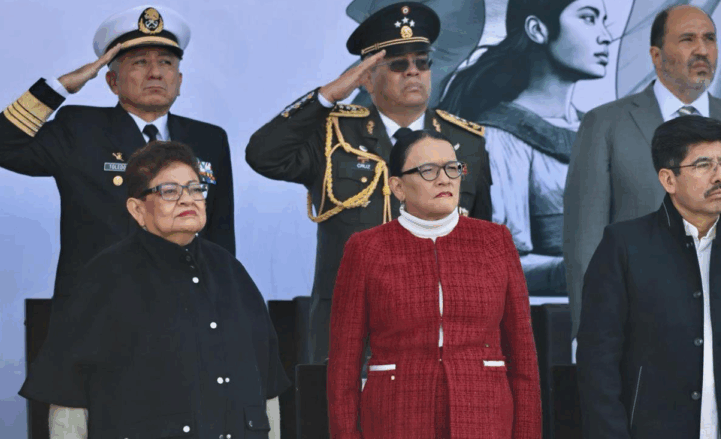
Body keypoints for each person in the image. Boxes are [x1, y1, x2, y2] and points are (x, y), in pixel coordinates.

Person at [246, 2, 492, 364]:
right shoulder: (333, 135)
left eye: (422, 62)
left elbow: (482, 244)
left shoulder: (465, 142)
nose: (414, 71)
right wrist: (328, 96)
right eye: (398, 64)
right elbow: (263, 155)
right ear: (366, 76)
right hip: (353, 333)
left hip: (441, 334)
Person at [19, 141, 289, 439]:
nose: (187, 200)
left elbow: (267, 387)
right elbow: (68, 397)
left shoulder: (231, 270)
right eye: (169, 191)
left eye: (195, 189)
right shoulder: (105, 276)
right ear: (137, 209)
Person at [0, 5, 235, 299]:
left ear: (179, 81)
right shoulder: (80, 129)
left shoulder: (209, 139)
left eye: (166, 62)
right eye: (139, 62)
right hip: (100, 307)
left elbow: (220, 234)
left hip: (188, 304)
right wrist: (59, 88)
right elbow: (4, 146)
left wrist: (225, 304)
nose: (155, 73)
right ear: (113, 81)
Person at [563, 4, 721, 338]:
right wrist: (590, 337)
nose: (702, 50)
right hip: (640, 336)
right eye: (688, 39)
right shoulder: (604, 125)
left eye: (710, 38)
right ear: (656, 56)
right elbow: (585, 245)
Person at [327, 129, 541, 438]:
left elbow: (523, 356)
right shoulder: (367, 248)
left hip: (484, 415)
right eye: (428, 170)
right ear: (398, 187)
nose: (445, 180)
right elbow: (343, 366)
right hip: (396, 417)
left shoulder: (495, 241)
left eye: (452, 168)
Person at [577, 115, 721, 438]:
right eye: (704, 165)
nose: (720, 176)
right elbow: (598, 361)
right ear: (668, 179)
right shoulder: (625, 246)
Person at [439, 0, 611, 296]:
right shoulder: (497, 137)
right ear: (537, 29)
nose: (606, 36)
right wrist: (596, 270)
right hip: (551, 319)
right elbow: (500, 262)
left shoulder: (603, 130)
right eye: (588, 18)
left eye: (604, 21)